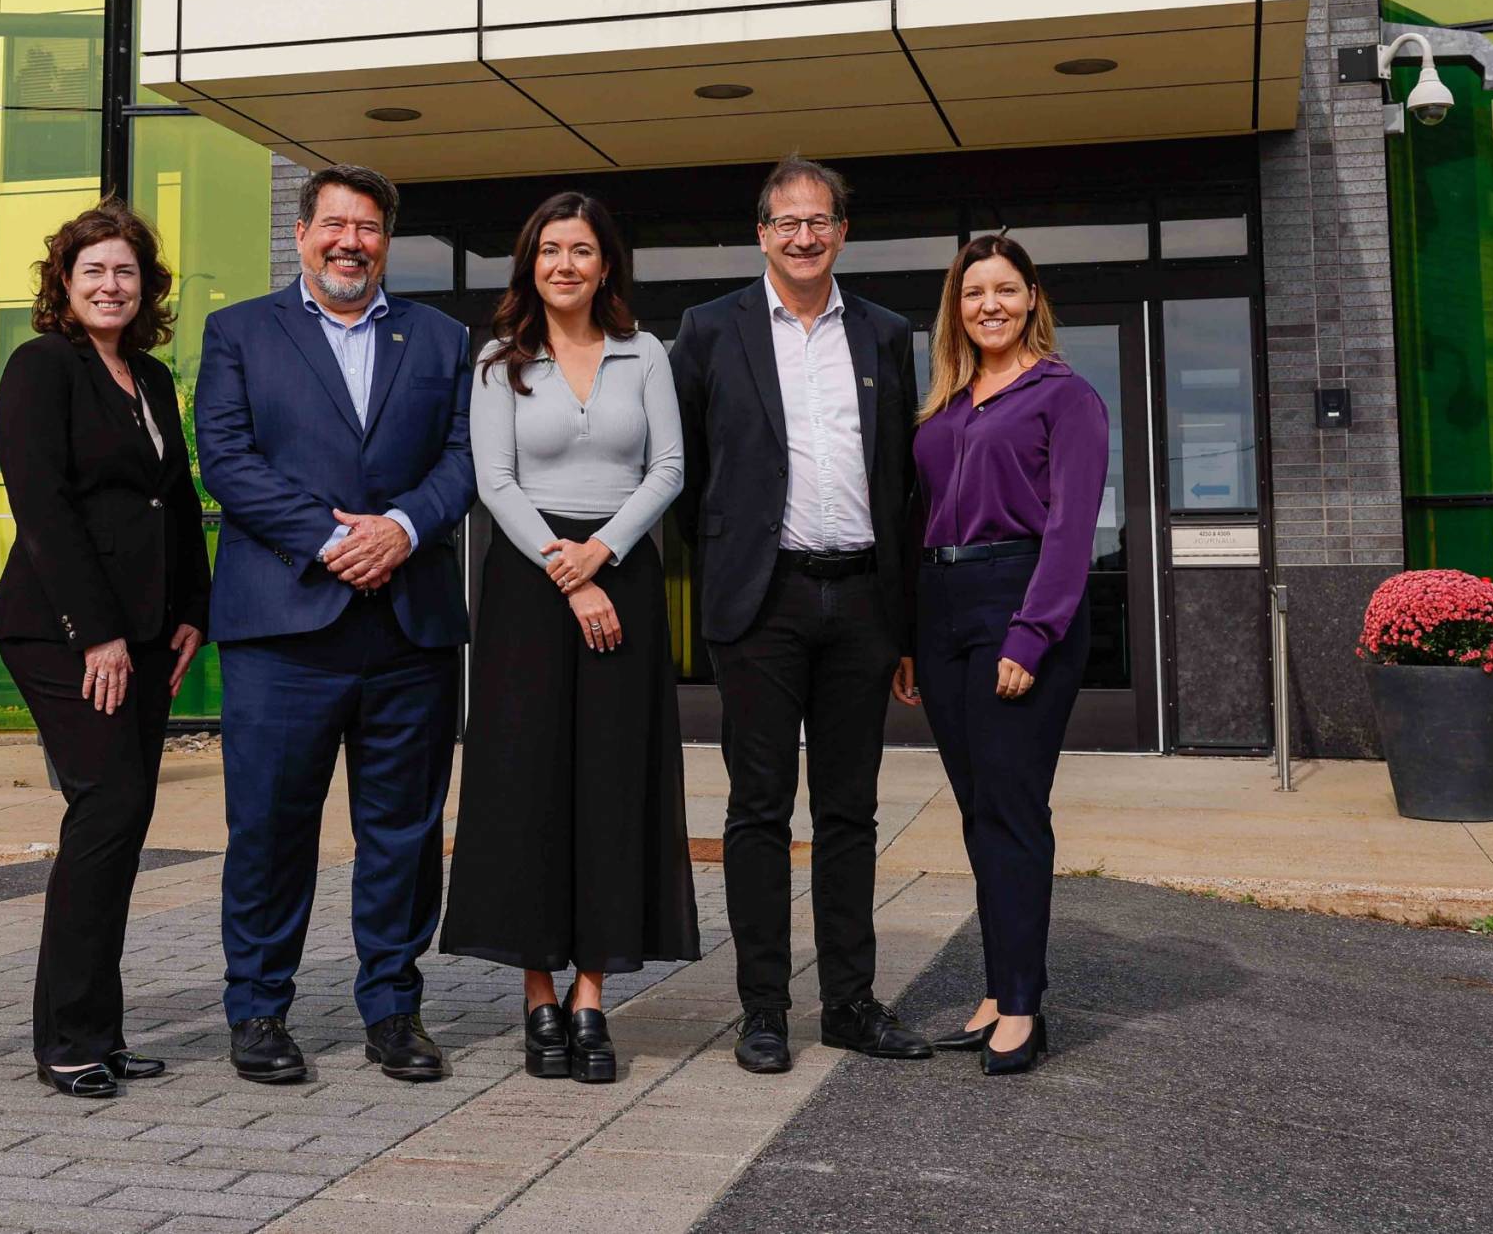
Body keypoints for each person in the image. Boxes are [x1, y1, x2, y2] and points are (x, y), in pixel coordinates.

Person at [195, 163, 476, 1085]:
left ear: (386, 240)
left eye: (367, 227)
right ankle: (258, 1009)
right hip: (283, 630)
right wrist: (331, 539)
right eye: (334, 225)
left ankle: (393, 1008)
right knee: (270, 829)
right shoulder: (239, 331)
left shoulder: (440, 336)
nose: (350, 242)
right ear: (302, 232)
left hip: (408, 628)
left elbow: (464, 455)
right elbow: (225, 458)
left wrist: (401, 528)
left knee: (403, 832)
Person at [670, 155, 931, 1074]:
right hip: (762, 600)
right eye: (787, 221)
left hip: (861, 597)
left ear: (842, 233)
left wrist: (903, 623)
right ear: (762, 233)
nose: (804, 236)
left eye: (819, 220)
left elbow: (901, 480)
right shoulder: (709, 329)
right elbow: (685, 473)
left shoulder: (884, 333)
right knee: (758, 808)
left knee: (850, 809)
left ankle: (850, 1003)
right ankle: (763, 1009)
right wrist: (725, 567)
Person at [442, 191, 697, 1085]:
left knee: (611, 786)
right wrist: (570, 571)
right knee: (529, 786)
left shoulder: (644, 352)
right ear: (530, 262)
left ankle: (591, 994)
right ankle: (538, 994)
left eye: (581, 249)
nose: (564, 264)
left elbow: (668, 466)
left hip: (622, 574)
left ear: (604, 264)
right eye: (550, 249)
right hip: (528, 583)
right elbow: (494, 480)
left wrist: (604, 553)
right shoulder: (497, 361)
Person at [0, 200, 209, 1099]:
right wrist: (99, 632)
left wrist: (193, 608)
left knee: (121, 821)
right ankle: (67, 1039)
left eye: (125, 272)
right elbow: (40, 502)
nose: (111, 285)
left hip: (149, 629)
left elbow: (175, 496)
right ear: (65, 283)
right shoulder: (42, 366)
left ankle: (98, 1031)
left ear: (145, 287)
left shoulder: (148, 376)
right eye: (94, 271)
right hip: (63, 629)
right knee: (105, 809)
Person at [894, 233, 1109, 1077]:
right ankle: (996, 988)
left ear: (1031, 299)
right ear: (956, 306)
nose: (989, 304)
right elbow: (918, 517)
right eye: (973, 291)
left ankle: (1022, 1005)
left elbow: (1070, 526)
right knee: (977, 807)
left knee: (1012, 807)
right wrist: (910, 636)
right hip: (942, 606)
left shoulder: (1065, 396)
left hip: (1018, 599)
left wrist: (1031, 631)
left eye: (1004, 289)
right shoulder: (945, 404)